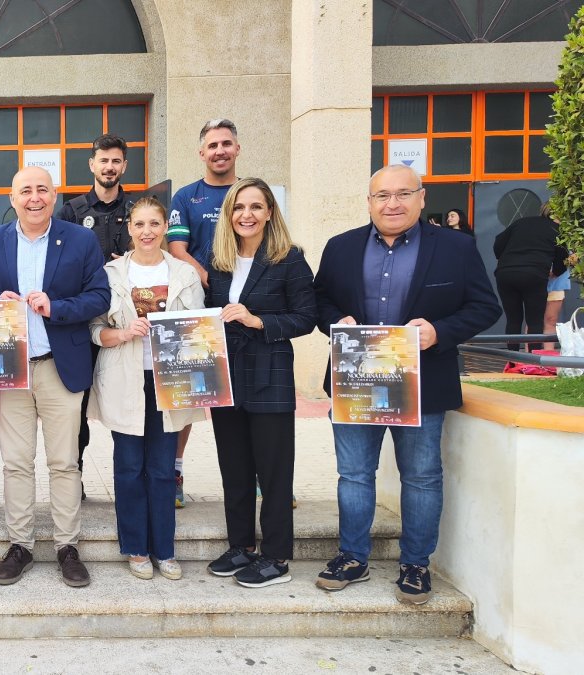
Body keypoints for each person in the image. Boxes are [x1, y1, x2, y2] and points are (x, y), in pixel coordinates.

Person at [313, 164, 500, 605]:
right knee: (354, 474)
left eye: (403, 194)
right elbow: (319, 299)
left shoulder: (455, 247)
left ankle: (415, 564)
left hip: (423, 381)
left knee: (421, 476)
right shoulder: (341, 247)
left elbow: (484, 306)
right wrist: (336, 320)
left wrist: (439, 331)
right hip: (358, 378)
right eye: (382, 195)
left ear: (421, 198)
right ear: (369, 202)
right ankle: (352, 557)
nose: (392, 203)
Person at [0, 166, 110, 588]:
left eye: (42, 190)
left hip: (59, 365)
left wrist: (57, 307)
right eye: (25, 191)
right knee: (16, 463)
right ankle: (21, 545)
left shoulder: (81, 239)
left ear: (54, 196)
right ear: (12, 199)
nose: (34, 197)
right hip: (10, 368)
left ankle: (68, 546)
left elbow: (100, 296)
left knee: (64, 462)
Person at [204, 178, 317, 588]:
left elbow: (306, 318)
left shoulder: (289, 258)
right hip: (227, 377)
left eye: (255, 206)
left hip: (270, 376)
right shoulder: (219, 260)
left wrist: (257, 321)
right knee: (234, 467)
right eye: (238, 207)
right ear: (228, 214)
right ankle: (241, 546)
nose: (246, 215)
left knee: (273, 472)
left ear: (270, 212)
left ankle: (276, 556)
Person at [88, 196, 203, 581]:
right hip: (125, 379)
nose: (147, 231)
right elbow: (94, 330)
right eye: (139, 224)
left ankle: (164, 550)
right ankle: (136, 548)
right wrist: (123, 333)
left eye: (154, 223)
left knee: (161, 468)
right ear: (129, 228)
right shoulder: (111, 274)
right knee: (129, 467)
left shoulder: (184, 274)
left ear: (165, 227)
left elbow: (200, 329)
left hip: (169, 381)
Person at [166, 118, 242, 509]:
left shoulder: (251, 192)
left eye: (226, 144)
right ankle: (175, 472)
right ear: (201, 153)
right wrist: (208, 278)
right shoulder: (186, 197)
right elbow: (177, 249)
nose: (219, 151)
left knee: (241, 398)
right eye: (212, 145)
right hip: (199, 309)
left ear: (237, 149)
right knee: (189, 396)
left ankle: (253, 472)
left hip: (244, 310)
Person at [56, 133, 137, 499]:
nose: (109, 167)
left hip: (126, 325)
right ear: (92, 164)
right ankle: (74, 479)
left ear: (124, 166)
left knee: (128, 404)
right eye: (103, 160)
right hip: (82, 323)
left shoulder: (137, 210)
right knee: (76, 408)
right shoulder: (70, 212)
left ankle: (132, 483)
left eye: (116, 160)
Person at [493, 203, 569, 351]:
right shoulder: (557, 230)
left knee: (513, 320)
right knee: (535, 321)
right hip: (534, 274)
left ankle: (512, 358)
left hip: (505, 273)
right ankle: (533, 359)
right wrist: (555, 272)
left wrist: (506, 260)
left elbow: (498, 243)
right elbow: (562, 259)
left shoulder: (521, 222)